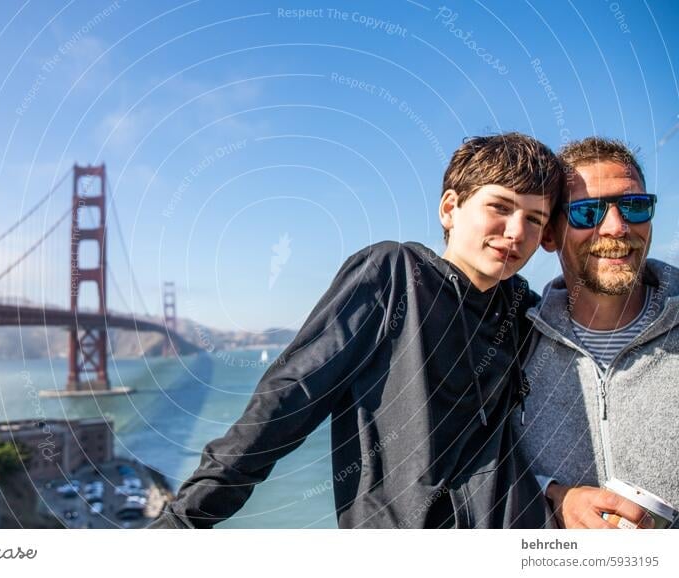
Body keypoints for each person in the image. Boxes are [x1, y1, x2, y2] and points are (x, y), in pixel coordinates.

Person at [149, 133, 564, 529]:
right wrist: (185, 518)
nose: (516, 232)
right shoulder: (393, 275)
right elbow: (291, 397)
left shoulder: (525, 313)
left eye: (534, 218)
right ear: (449, 209)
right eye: (500, 207)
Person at [517, 137, 679, 529]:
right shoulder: (513, 343)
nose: (616, 227)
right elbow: (475, 471)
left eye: (634, 206)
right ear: (549, 235)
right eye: (587, 212)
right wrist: (554, 496)